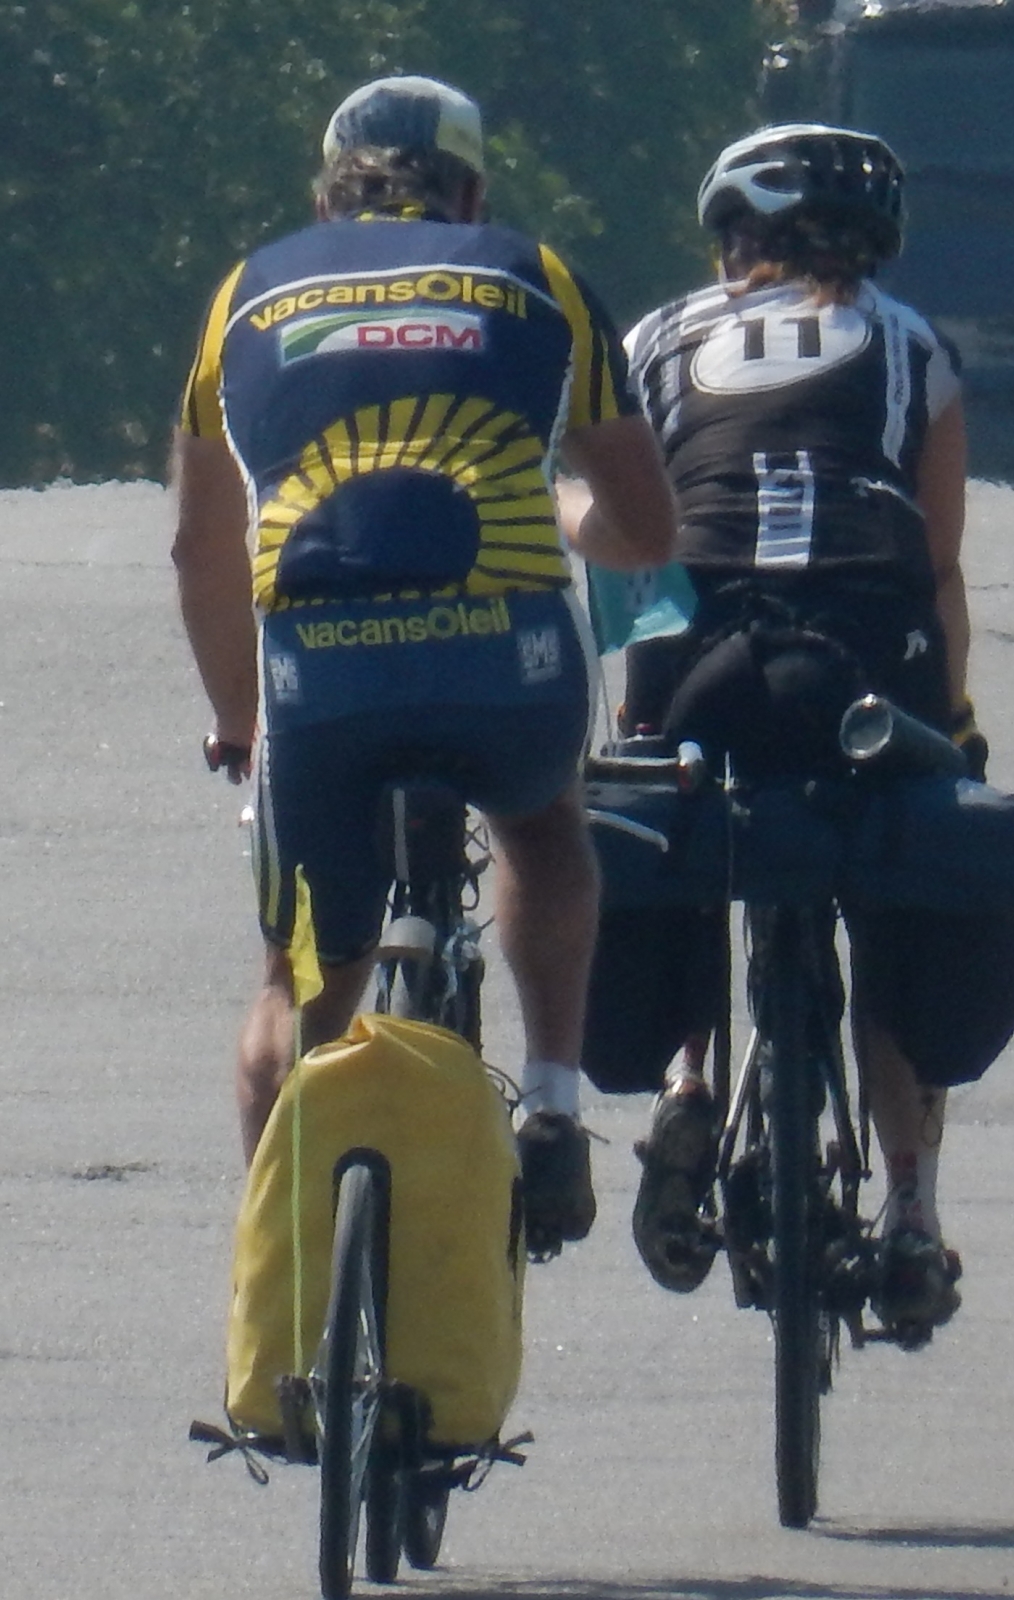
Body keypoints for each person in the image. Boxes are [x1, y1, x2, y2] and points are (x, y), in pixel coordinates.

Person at [171, 75, 677, 1260]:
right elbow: (648, 527)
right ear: (472, 193)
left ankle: (284, 1285)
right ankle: (551, 1101)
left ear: (325, 196)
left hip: (323, 681)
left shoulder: (245, 293)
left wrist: (240, 721)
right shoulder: (536, 276)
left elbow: (199, 545)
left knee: (295, 981)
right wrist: (571, 519)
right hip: (504, 666)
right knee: (545, 826)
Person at [605, 123, 987, 1333]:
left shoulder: (656, 339)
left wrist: (636, 715)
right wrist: (956, 726)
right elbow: (937, 566)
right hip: (865, 646)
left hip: (697, 641)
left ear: (733, 236)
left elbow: (628, 542)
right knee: (892, 883)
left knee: (678, 830)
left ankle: (685, 1080)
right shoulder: (913, 343)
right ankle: (912, 1206)